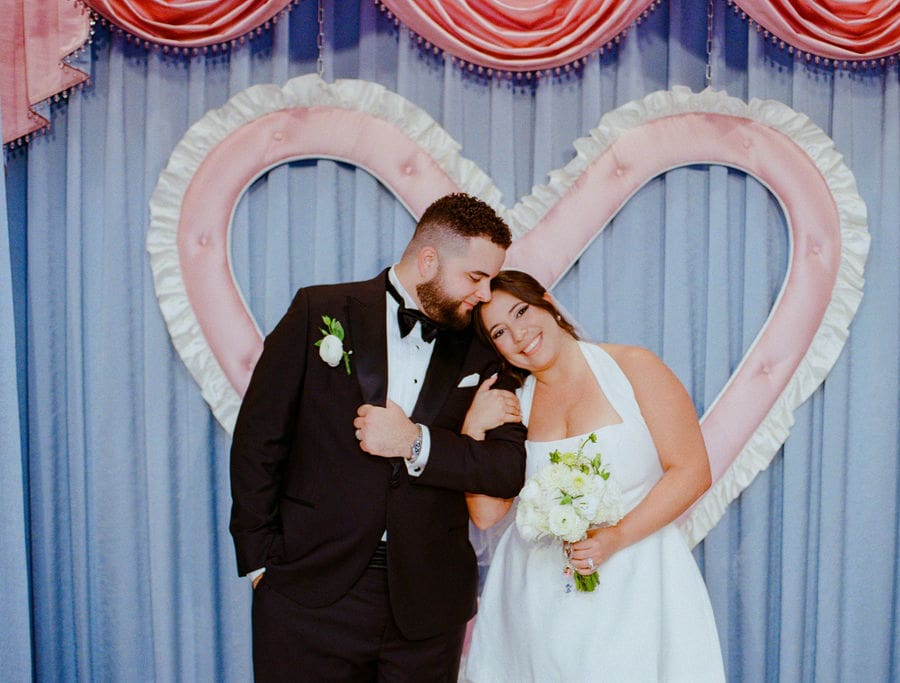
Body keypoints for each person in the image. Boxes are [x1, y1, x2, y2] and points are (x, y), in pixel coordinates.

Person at [229, 193, 528, 682]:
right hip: (309, 591)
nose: (485, 293)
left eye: (492, 279)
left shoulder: (484, 347)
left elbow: (505, 470)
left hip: (428, 606)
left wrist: (418, 443)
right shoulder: (318, 309)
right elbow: (259, 440)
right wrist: (259, 562)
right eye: (476, 277)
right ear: (428, 260)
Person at [460, 270, 725, 681]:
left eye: (522, 311)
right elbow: (486, 515)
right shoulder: (516, 404)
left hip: (638, 580)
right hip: (537, 597)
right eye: (500, 332)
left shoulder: (634, 367)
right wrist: (471, 432)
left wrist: (615, 537)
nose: (520, 334)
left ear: (546, 301)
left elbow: (692, 472)